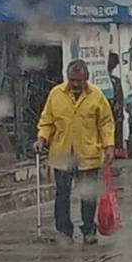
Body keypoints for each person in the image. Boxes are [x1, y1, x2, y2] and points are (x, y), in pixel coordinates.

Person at [35, 59, 115, 246]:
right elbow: (47, 121)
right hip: (62, 153)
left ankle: (89, 230)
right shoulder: (56, 94)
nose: (76, 84)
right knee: (62, 194)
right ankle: (64, 231)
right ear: (67, 78)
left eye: (79, 81)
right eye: (72, 80)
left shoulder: (96, 95)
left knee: (88, 195)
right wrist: (42, 138)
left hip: (88, 153)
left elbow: (106, 123)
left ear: (86, 78)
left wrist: (109, 146)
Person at [107, 52, 125, 150]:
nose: (115, 65)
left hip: (115, 112)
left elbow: (119, 99)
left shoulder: (116, 81)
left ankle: (117, 148)